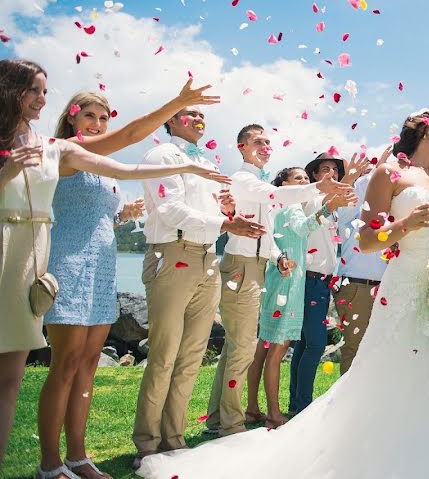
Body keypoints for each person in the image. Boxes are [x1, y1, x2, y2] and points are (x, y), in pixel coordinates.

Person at [137, 109, 429, 478]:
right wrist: (405, 225)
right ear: (426, 129)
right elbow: (365, 240)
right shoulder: (390, 173)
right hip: (405, 284)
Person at [0, 59, 231, 479]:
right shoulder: (61, 151)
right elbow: (129, 140)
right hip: (66, 263)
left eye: (104, 117)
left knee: (88, 363)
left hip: (102, 265)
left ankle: (78, 456)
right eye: (89, 115)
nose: (98, 122)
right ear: (71, 117)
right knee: (65, 363)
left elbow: (118, 180)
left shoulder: (84, 161)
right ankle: (50, 464)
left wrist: (123, 213)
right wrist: (176, 106)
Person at [131, 108, 267, 471]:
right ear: (172, 121)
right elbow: (172, 210)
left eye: (202, 114)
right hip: (172, 253)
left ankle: (174, 438)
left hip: (208, 259)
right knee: (163, 353)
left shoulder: (207, 164)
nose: (198, 118)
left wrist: (224, 210)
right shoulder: (161, 156)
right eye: (189, 113)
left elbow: (212, 216)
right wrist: (225, 220)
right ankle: (147, 442)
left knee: (192, 354)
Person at [204, 125, 354, 439]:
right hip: (262, 272)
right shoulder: (253, 184)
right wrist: (325, 195)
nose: (305, 182)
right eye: (258, 141)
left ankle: (234, 415)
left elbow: (270, 234)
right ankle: (246, 419)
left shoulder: (272, 195)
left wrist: (276, 257)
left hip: (273, 270)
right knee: (257, 347)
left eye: (268, 142)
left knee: (249, 347)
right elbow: (291, 218)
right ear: (242, 146)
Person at [244, 167, 355, 429]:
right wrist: (330, 208)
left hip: (286, 279)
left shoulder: (277, 209)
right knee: (278, 348)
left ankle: (257, 408)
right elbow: (305, 229)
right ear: (284, 184)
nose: (305, 182)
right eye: (299, 179)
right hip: (289, 283)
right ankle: (274, 412)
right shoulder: (291, 208)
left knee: (270, 346)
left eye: (306, 179)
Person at [286, 152, 366, 415]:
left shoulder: (332, 204)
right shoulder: (312, 198)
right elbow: (326, 205)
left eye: (335, 169)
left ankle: (296, 405)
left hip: (322, 281)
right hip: (310, 280)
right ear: (315, 176)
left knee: (304, 344)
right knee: (316, 344)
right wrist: (350, 176)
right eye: (325, 169)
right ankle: (302, 407)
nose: (331, 173)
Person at [332, 147, 392, 375]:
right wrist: (377, 173)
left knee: (380, 350)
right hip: (357, 286)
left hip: (385, 286)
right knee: (354, 349)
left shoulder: (386, 211)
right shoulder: (350, 209)